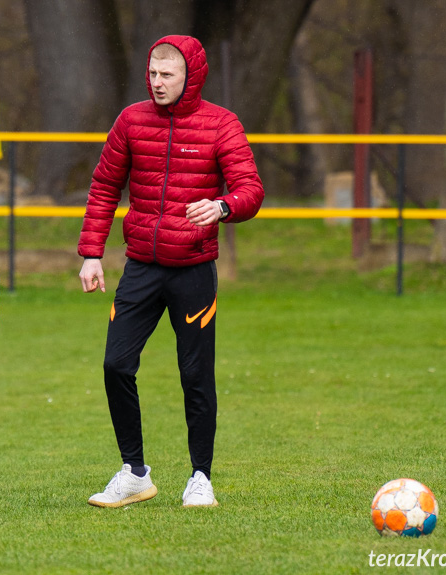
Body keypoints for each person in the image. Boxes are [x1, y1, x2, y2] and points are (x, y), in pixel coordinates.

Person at [78, 36, 264, 508]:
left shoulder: (222, 124)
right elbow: (104, 187)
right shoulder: (130, 120)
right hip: (140, 267)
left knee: (195, 375)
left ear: (191, 77)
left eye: (168, 76)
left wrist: (222, 206)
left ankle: (200, 478)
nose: (157, 83)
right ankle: (134, 472)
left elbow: (250, 189)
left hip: (194, 271)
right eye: (153, 74)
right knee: (115, 364)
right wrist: (92, 252)